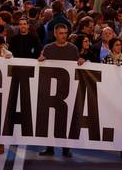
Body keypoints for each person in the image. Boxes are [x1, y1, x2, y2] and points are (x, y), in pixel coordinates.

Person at [38, 23, 83, 158]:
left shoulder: (73, 49)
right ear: (56, 34)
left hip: (67, 91)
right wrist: (40, 60)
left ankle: (66, 148)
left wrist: (81, 61)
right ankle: (49, 147)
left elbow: (77, 65)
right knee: (51, 120)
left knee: (66, 120)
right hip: (51, 91)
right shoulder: (48, 48)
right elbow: (41, 65)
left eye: (65, 33)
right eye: (61, 33)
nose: (64, 36)